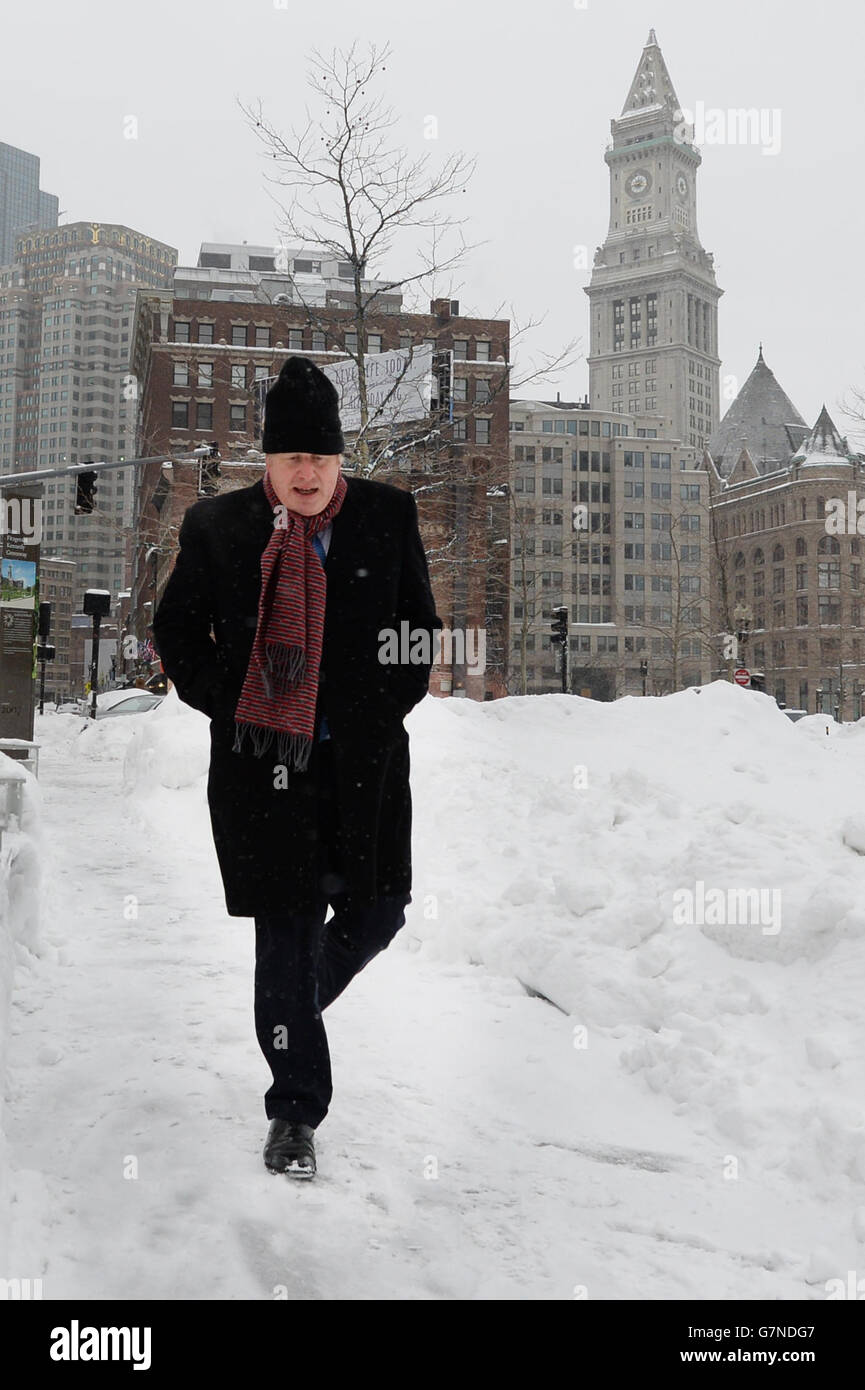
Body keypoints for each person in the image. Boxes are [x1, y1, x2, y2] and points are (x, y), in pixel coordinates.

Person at [153, 356, 442, 1179]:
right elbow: (178, 632)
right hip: (262, 774)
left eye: (320, 457)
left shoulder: (388, 517)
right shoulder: (218, 527)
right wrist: (231, 703)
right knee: (284, 937)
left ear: (340, 458)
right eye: (291, 459)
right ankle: (293, 1113)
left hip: (364, 769)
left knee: (380, 911)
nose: (307, 474)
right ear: (267, 461)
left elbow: (417, 633)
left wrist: (376, 712)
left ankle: (287, 1011)